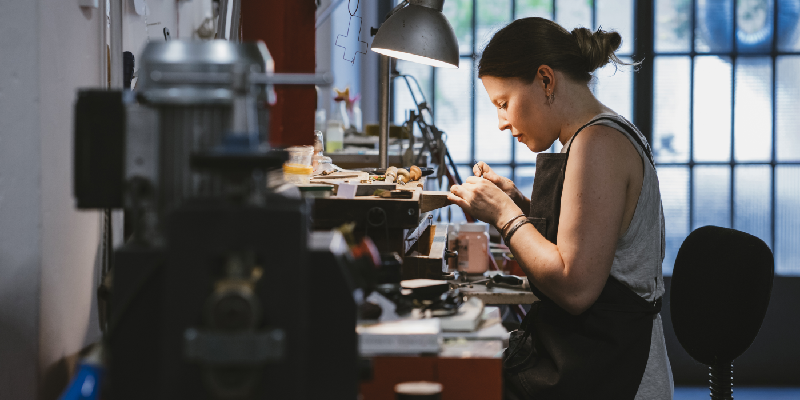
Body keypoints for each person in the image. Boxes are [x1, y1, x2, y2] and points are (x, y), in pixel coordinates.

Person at [447, 18, 673, 400]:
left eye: (504, 103)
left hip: (613, 372)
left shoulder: (597, 143)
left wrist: (505, 214)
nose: (502, 122)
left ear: (546, 81)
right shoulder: (593, 136)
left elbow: (575, 286)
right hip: (600, 361)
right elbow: (591, 235)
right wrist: (519, 202)